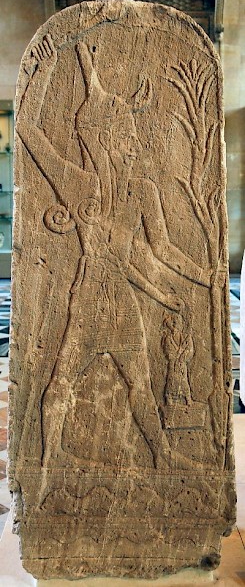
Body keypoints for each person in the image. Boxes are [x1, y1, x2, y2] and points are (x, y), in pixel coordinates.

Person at [16, 35, 211, 470]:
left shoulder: (141, 192)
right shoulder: (81, 184)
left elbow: (159, 250)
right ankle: (47, 465)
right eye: (126, 135)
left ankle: (161, 455)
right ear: (104, 139)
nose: (133, 143)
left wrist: (202, 275)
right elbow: (29, 132)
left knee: (140, 385)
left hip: (117, 300)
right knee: (61, 380)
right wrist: (43, 70)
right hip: (88, 300)